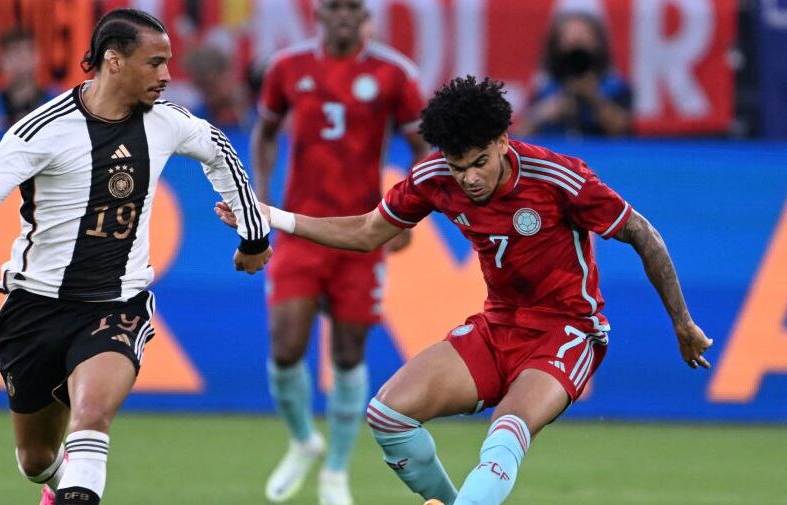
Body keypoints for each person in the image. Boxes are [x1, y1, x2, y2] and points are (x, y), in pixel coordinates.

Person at [217, 75, 712, 505]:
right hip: (497, 327)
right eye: (458, 166)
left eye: (479, 163)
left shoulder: (560, 178)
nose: (469, 179)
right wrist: (272, 216)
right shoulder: (435, 178)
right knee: (388, 415)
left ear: (502, 140)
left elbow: (644, 235)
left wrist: (683, 323)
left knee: (504, 434)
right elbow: (368, 232)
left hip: (567, 332)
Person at [0, 9, 271, 505]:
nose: (166, 76)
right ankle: (60, 489)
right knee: (35, 461)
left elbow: (219, 151)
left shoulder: (167, 121)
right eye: (154, 63)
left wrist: (253, 237)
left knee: (91, 417)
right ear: (113, 61)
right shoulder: (43, 130)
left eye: (169, 63)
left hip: (117, 304)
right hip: (36, 308)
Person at [250, 0, 431, 503]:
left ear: (364, 15)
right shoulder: (287, 69)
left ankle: (335, 471)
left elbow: (424, 151)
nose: (345, 16)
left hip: (360, 236)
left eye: (354, 7)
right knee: (285, 346)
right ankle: (304, 440)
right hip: (301, 231)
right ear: (320, 15)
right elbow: (265, 133)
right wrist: (258, 201)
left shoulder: (395, 74)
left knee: (348, 355)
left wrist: (406, 215)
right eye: (336, 7)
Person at [524, 11, 631, 137]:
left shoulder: (615, 86)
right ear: (557, 43)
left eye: (584, 35)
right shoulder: (544, 87)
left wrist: (594, 98)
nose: (577, 41)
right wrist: (545, 111)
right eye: (570, 36)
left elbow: (624, 131)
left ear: (597, 43)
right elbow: (521, 133)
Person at [0, 28, 56, 132]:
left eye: (26, 52)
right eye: (14, 53)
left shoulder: (54, 100)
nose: (21, 59)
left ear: (37, 57)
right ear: (2, 60)